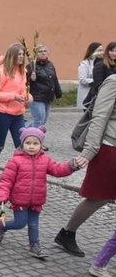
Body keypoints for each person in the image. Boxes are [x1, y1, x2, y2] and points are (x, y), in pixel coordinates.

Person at [0, 126, 82, 258]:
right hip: (20, 200)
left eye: (36, 143)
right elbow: (6, 180)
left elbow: (58, 170)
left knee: (34, 224)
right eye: (28, 143)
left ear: (41, 145)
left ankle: (34, 246)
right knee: (20, 223)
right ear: (22, 143)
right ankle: (1, 226)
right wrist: (3, 195)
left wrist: (71, 166)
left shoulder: (45, 160)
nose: (32, 146)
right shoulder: (15, 161)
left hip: (37, 200)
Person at [54, 74, 116, 258]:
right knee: (99, 196)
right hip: (108, 147)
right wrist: (90, 151)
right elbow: (99, 116)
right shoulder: (113, 81)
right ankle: (67, 232)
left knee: (104, 196)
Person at [0, 44, 31, 187]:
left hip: (18, 114)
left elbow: (23, 91)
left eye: (23, 54)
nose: (21, 57)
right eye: (19, 54)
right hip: (3, 114)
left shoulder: (23, 71)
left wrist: (29, 97)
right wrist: (12, 96)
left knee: (22, 146)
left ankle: (20, 175)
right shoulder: (1, 71)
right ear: (12, 55)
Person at [26, 44, 62, 131]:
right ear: (36, 54)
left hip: (48, 97)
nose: (43, 53)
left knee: (43, 120)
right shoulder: (31, 66)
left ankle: (24, 131)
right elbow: (25, 82)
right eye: (40, 51)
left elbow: (54, 80)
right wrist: (31, 78)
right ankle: (31, 138)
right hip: (37, 97)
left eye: (45, 51)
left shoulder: (50, 65)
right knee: (39, 120)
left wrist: (58, 93)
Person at [77, 42, 103, 110]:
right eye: (99, 50)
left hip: (99, 95)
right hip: (87, 94)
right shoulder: (85, 63)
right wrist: (97, 81)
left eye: (102, 50)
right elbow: (82, 80)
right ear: (93, 51)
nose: (101, 52)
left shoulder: (102, 63)